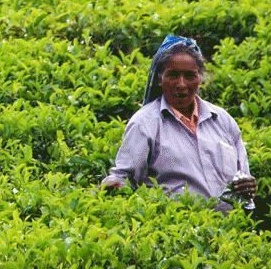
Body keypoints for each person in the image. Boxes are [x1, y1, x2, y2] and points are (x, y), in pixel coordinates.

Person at [101, 35, 257, 212]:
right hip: (178, 231)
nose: (181, 84)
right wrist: (112, 186)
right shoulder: (144, 124)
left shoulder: (222, 120)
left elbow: (242, 177)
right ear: (160, 79)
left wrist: (247, 188)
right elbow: (124, 177)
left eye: (190, 75)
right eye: (173, 75)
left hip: (230, 231)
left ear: (200, 78)